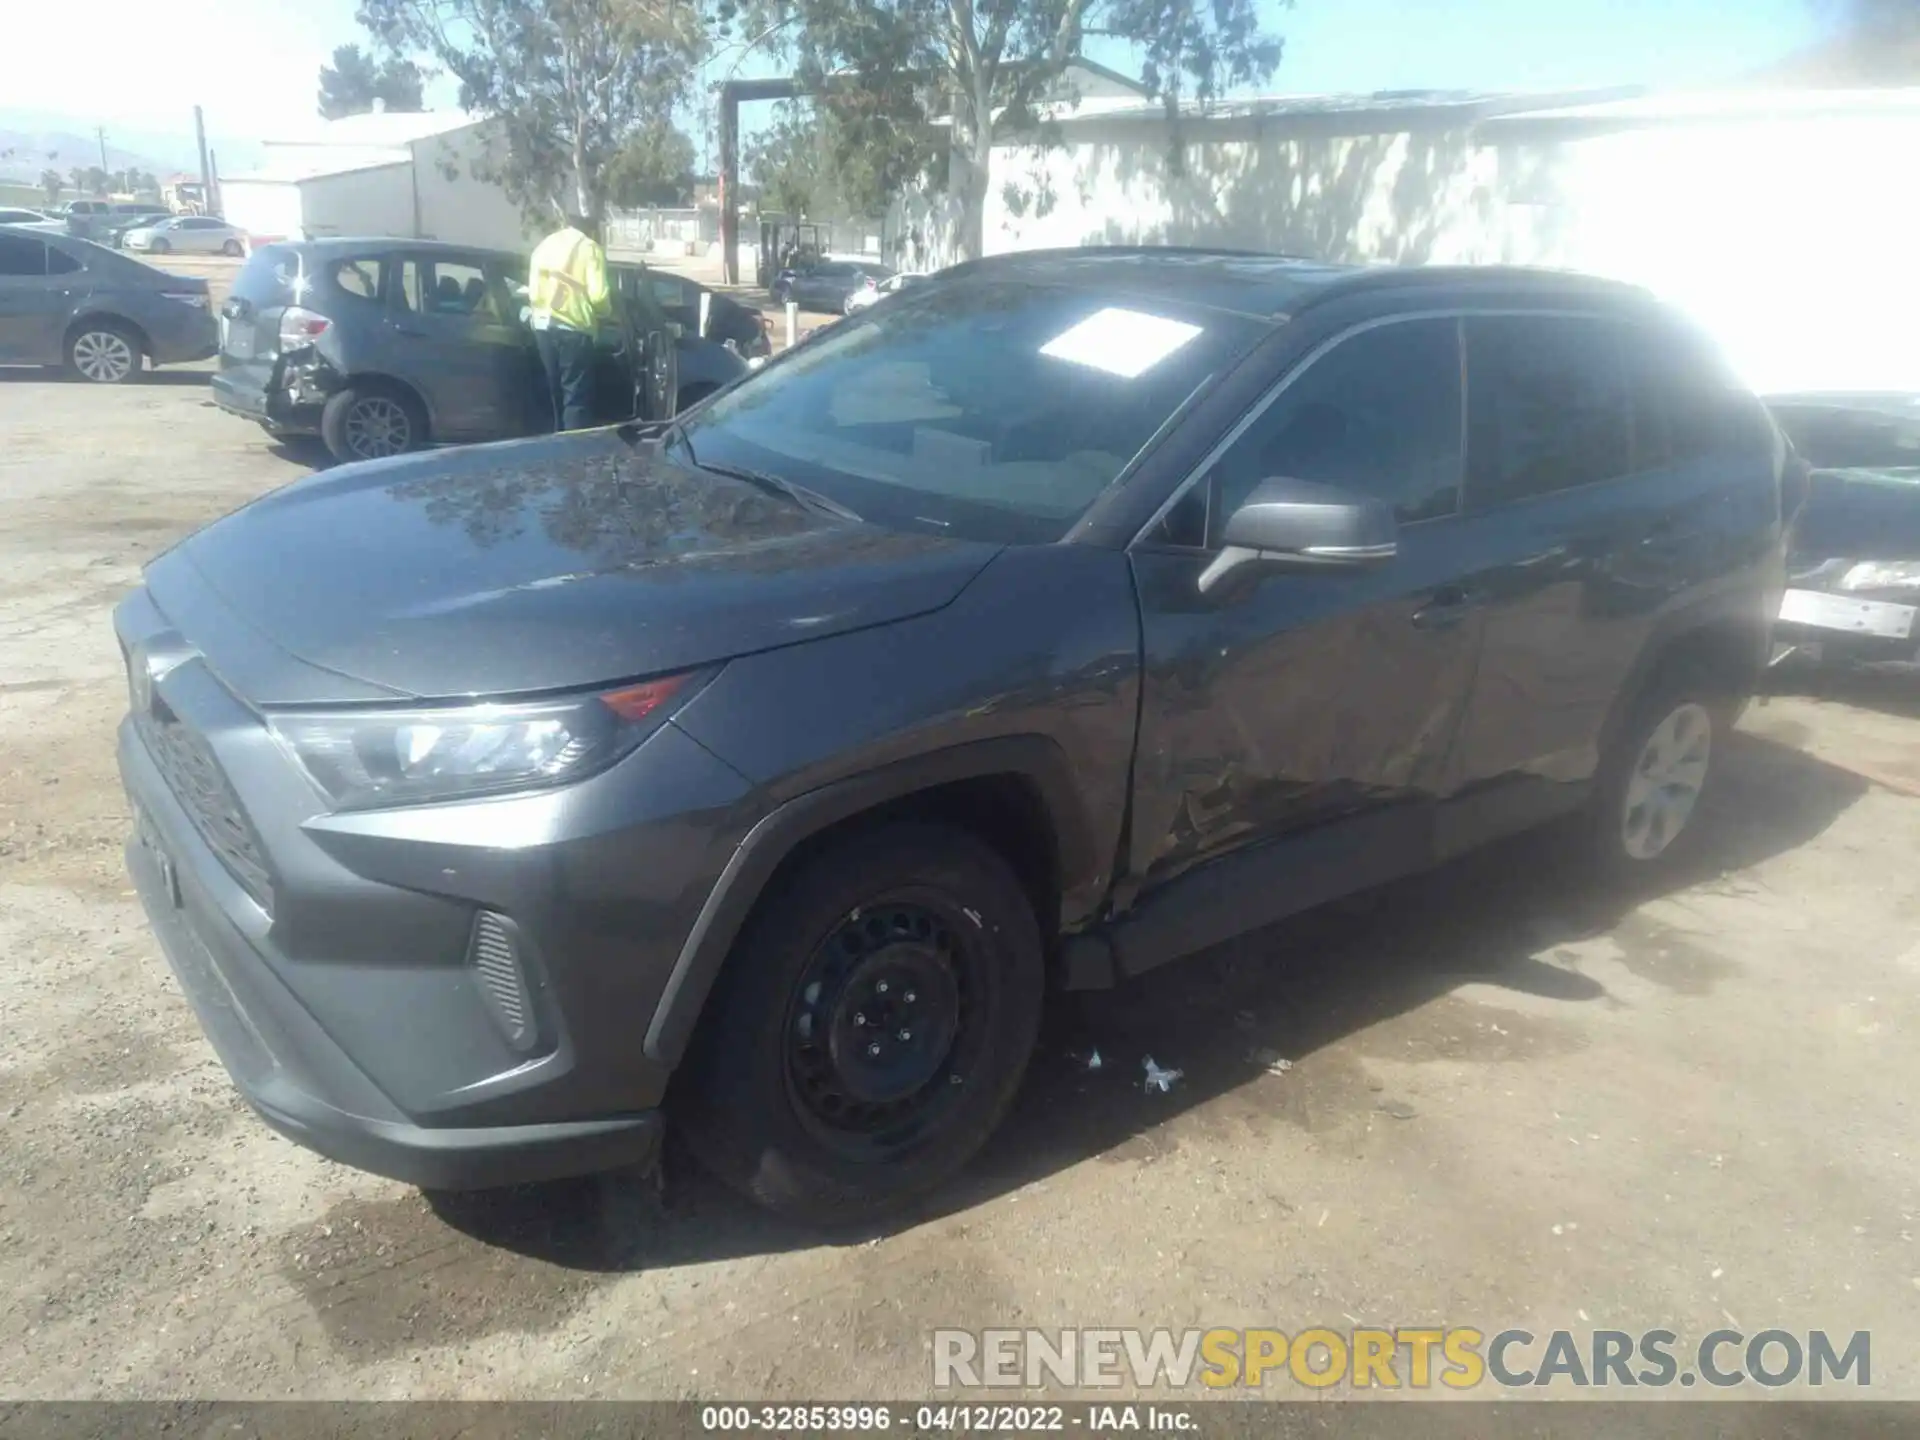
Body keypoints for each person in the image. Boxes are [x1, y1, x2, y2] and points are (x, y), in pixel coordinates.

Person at [527, 211, 612, 432]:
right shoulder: (590, 248)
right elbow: (599, 296)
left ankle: (554, 442)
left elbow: (534, 291)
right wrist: (607, 313)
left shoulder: (545, 245)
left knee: (553, 393)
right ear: (591, 229)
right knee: (575, 397)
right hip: (573, 329)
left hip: (542, 327)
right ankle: (573, 449)